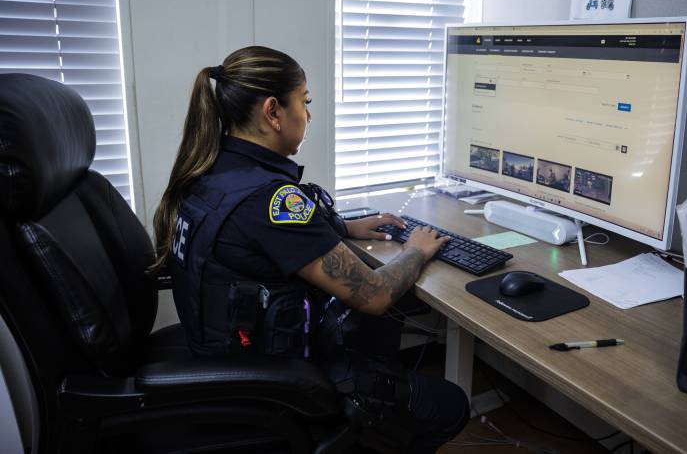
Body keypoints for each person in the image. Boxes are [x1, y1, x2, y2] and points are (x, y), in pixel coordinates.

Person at [151, 46, 469, 452]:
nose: (309, 114)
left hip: (222, 348)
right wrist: (418, 250)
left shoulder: (210, 170)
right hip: (271, 377)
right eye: (305, 101)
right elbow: (374, 295)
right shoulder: (270, 200)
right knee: (449, 404)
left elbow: (252, 242)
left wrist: (343, 227)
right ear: (273, 111)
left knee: (375, 339)